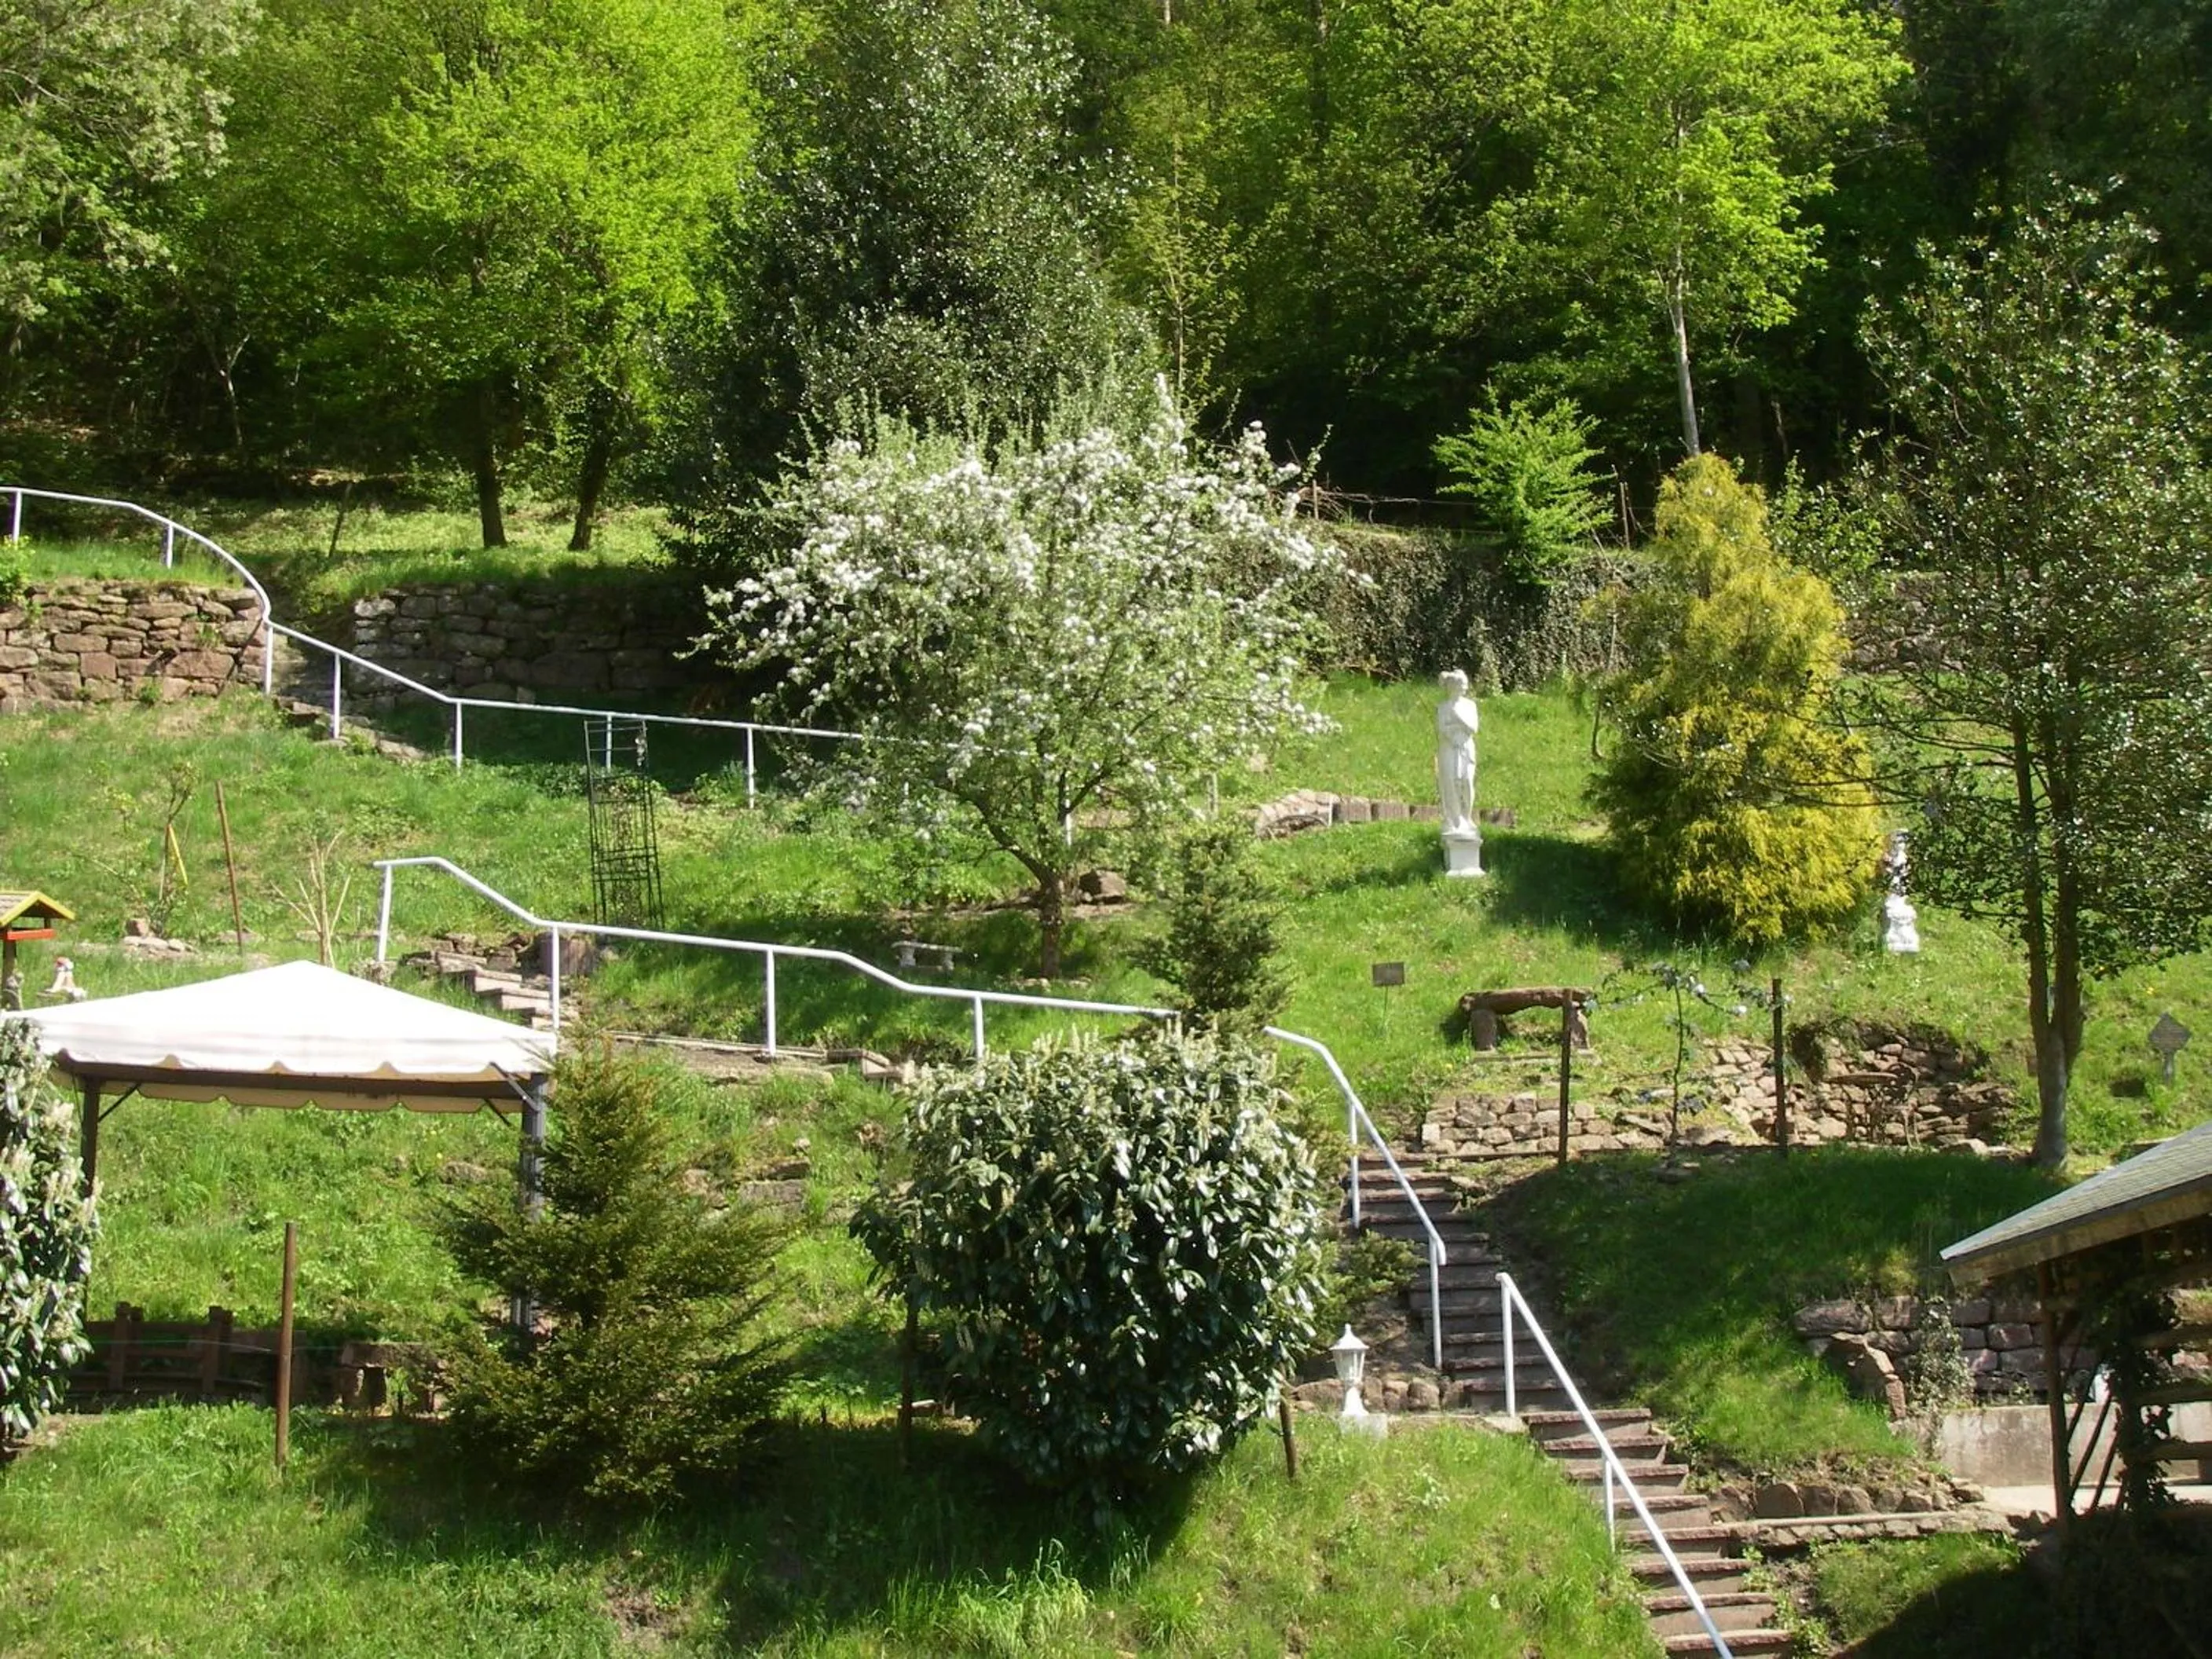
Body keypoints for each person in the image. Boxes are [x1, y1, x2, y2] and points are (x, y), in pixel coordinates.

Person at [1435, 669, 1479, 833]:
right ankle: (1454, 819)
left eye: (1464, 685)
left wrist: (1458, 719)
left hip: (1466, 747)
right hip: (1449, 747)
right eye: (1461, 685)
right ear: (1452, 687)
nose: (1464, 688)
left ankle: (1467, 816)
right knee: (1451, 782)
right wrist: (1456, 730)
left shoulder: (1470, 706)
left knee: (1467, 781)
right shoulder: (1443, 707)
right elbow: (1442, 729)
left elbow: (1472, 728)